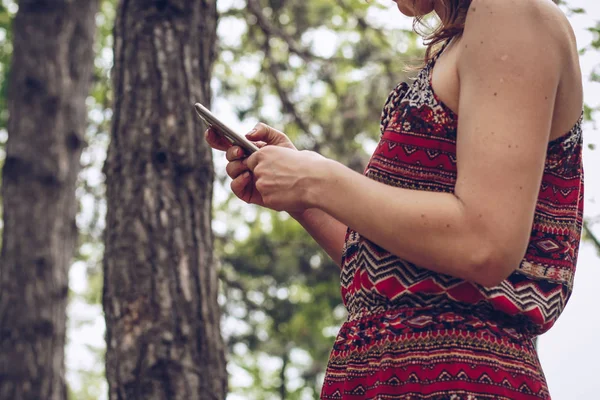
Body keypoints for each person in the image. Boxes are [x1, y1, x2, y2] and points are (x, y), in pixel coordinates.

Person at [205, 0, 584, 398]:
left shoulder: (511, 12)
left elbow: (485, 243)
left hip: (459, 379)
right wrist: (304, 197)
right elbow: (400, 269)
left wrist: (320, 180)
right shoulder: (472, 36)